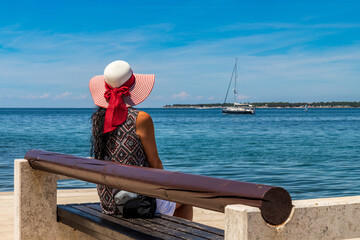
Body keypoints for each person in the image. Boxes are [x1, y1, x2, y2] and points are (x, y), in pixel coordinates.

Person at [89, 60, 193, 220]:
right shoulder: (141, 118)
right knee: (185, 200)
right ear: (131, 89)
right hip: (135, 201)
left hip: (108, 201)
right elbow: (155, 163)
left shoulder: (99, 118)